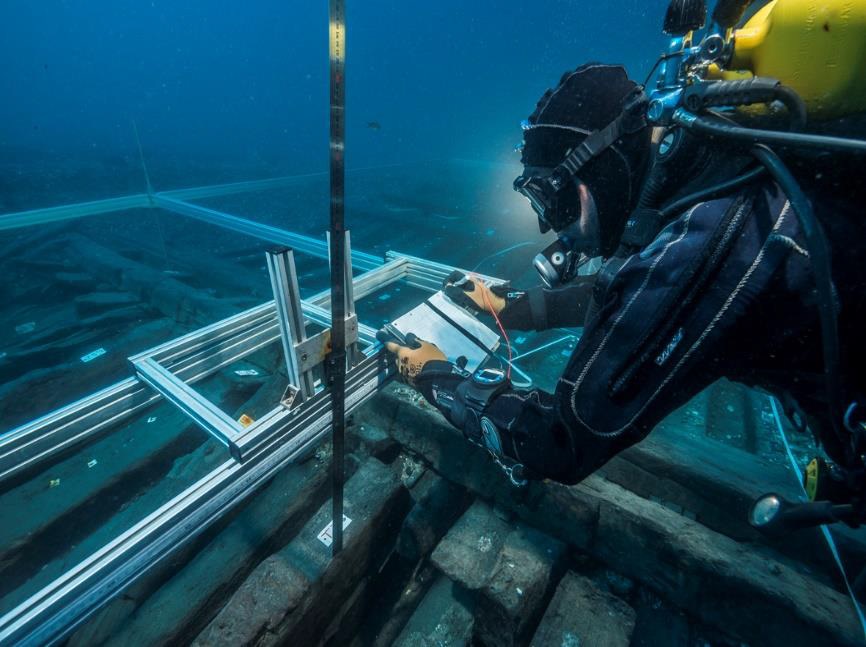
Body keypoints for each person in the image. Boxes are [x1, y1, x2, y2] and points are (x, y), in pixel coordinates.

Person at [382, 62, 866, 494]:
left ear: (605, 170)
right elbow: (642, 291)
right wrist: (516, 307)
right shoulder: (709, 170)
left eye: (556, 200)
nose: (550, 226)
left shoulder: (709, 241)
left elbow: (562, 440)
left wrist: (438, 378)